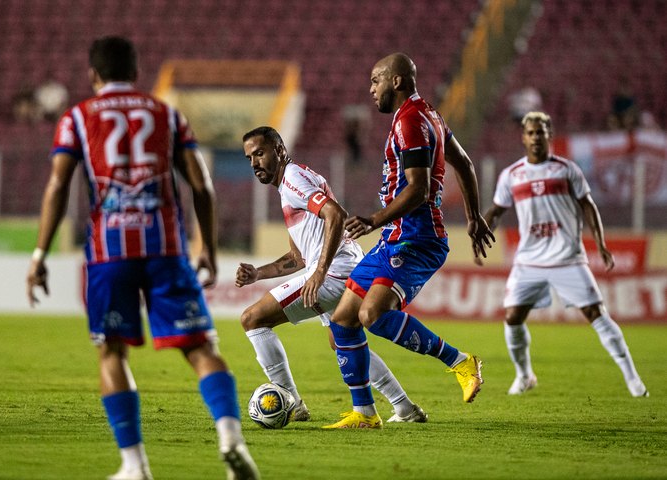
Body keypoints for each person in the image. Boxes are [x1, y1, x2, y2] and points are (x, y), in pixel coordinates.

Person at [26, 36, 259, 480]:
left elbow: (58, 186)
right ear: (136, 73)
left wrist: (39, 254)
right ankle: (232, 439)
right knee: (201, 348)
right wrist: (208, 250)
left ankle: (135, 465)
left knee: (112, 352)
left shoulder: (77, 117)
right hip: (166, 247)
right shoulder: (167, 115)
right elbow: (202, 185)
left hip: (109, 252)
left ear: (93, 74)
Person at [323, 53, 495, 429]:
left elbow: (418, 189)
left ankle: (461, 362)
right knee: (342, 322)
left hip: (416, 238)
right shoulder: (430, 115)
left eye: (376, 80)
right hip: (395, 238)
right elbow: (464, 164)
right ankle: (365, 414)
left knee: (372, 315)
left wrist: (373, 219)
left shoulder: (411, 121)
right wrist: (472, 216)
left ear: (397, 81)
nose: (371, 89)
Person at [237, 126, 428, 424]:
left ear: (280, 150)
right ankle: (404, 407)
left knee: (252, 319)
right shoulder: (291, 185)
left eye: (259, 154)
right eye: (249, 158)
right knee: (342, 341)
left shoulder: (293, 179)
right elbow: (297, 258)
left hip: (335, 270)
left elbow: (335, 213)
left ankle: (292, 403)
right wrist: (257, 274)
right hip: (345, 266)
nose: (254, 163)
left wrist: (320, 272)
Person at [478, 111, 648, 398]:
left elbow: (588, 205)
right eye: (531, 133)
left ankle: (633, 379)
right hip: (529, 259)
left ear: (549, 135)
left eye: (540, 132)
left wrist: (601, 243)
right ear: (523, 137)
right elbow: (496, 211)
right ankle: (524, 376)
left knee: (595, 313)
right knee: (513, 316)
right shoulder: (511, 175)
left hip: (567, 256)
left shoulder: (567, 170)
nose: (536, 137)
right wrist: (479, 236)